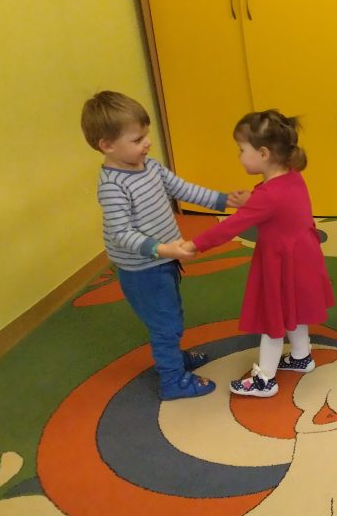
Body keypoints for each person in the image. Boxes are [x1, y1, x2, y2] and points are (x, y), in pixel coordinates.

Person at [80, 91, 248, 400]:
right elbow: (121, 233)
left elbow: (183, 189)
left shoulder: (150, 166)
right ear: (107, 145)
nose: (147, 143)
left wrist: (225, 200)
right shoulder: (113, 186)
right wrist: (163, 249)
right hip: (144, 269)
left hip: (163, 260)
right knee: (165, 324)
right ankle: (172, 381)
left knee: (171, 313)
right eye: (137, 139)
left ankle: (173, 357)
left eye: (146, 135)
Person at [182, 110, 334, 398]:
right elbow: (277, 205)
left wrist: (193, 245)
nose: (239, 156)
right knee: (295, 310)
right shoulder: (292, 177)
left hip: (281, 264)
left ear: (263, 153)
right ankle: (301, 356)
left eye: (242, 150)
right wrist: (251, 200)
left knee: (272, 320)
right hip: (303, 258)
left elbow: (229, 227)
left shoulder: (267, 196)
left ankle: (265, 380)